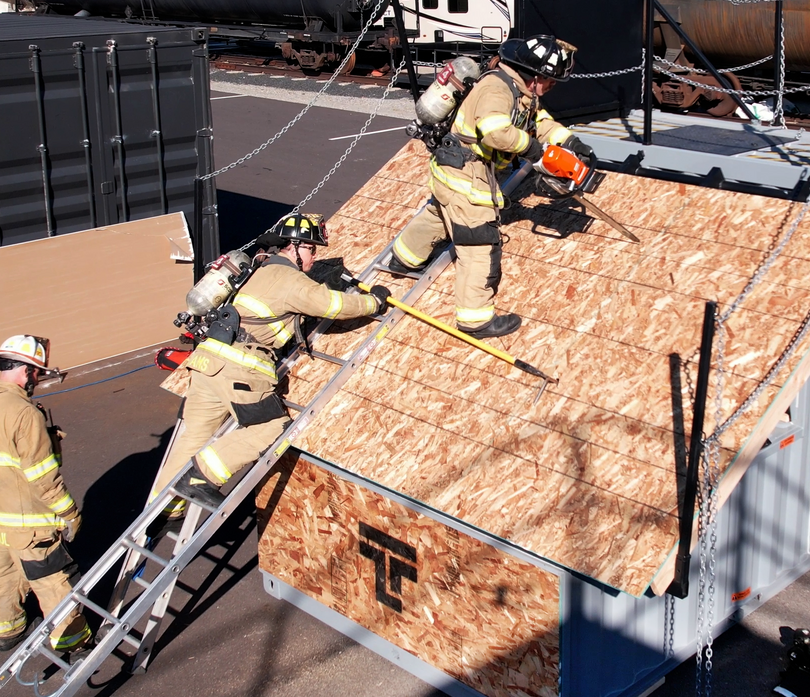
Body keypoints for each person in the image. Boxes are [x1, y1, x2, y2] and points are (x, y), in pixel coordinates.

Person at [385, 34, 595, 338]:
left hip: (452, 171)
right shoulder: (497, 88)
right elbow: (495, 133)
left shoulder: (520, 89)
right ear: (536, 76)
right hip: (467, 175)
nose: (552, 87)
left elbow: (539, 121)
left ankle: (403, 259)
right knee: (479, 244)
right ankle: (475, 320)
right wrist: (535, 151)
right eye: (550, 81)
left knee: (439, 216)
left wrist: (570, 142)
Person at [166, 212, 386, 502]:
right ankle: (201, 476)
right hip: (238, 369)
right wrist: (374, 301)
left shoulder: (258, 268)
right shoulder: (287, 277)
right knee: (274, 427)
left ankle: (161, 514)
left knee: (192, 439)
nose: (313, 257)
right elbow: (331, 304)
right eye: (309, 248)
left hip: (206, 362)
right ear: (291, 246)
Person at [0, 334, 91, 654]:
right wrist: (70, 513)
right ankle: (71, 639)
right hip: (30, 528)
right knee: (54, 581)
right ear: (28, 371)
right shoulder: (25, 414)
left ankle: (5, 632)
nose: (36, 380)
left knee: (0, 578)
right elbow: (43, 478)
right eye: (37, 373)